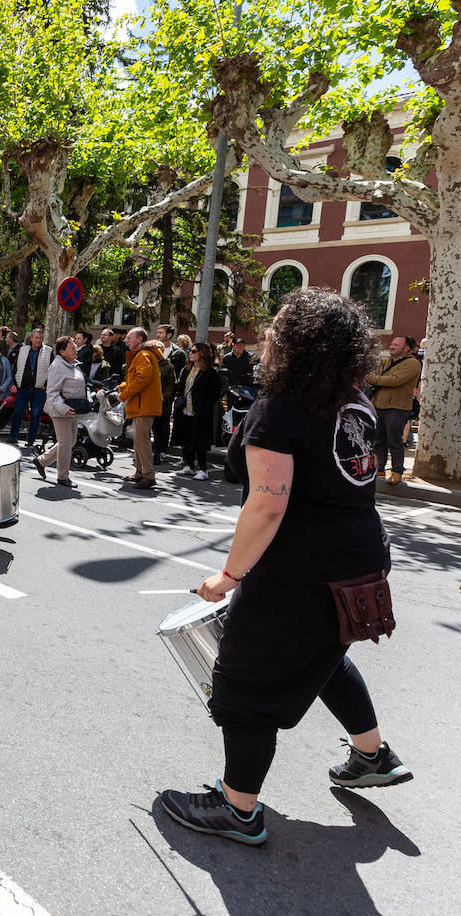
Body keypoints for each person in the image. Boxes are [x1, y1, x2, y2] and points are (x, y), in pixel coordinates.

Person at [160, 288, 410, 847]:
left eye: (278, 327)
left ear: (298, 345)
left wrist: (229, 576)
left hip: (301, 573)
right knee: (325, 657)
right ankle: (372, 756)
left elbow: (269, 501)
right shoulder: (357, 402)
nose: (268, 334)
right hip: (362, 560)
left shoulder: (280, 410)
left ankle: (238, 808)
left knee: (245, 682)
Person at [364, 336, 421, 485]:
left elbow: (394, 380)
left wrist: (370, 378)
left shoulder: (413, 363)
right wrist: (374, 377)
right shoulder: (386, 361)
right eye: (392, 343)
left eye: (396, 344)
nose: (392, 346)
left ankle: (397, 471)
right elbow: (380, 377)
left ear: (406, 348)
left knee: (394, 441)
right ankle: (379, 469)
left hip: (397, 408)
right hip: (379, 405)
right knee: (378, 440)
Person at [32, 335, 83, 488]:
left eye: (75, 347)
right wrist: (64, 408)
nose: (76, 350)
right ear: (62, 352)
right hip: (60, 411)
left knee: (70, 441)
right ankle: (63, 476)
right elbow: (52, 392)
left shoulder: (73, 365)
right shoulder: (57, 366)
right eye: (72, 348)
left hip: (72, 410)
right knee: (66, 443)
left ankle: (42, 461)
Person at [118, 327, 163, 489]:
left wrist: (124, 394)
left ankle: (148, 476)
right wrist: (123, 387)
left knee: (142, 442)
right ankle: (139, 473)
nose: (126, 340)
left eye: (130, 337)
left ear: (139, 340)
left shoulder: (143, 355)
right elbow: (137, 379)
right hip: (140, 404)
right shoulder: (141, 355)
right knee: (138, 442)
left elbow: (143, 379)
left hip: (144, 405)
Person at [173, 342, 223, 480]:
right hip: (185, 410)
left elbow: (214, 393)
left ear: (201, 354)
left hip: (201, 412)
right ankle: (188, 465)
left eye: (193, 351)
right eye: (190, 350)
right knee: (186, 438)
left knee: (200, 441)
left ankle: (203, 469)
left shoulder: (210, 372)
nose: (190, 353)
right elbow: (181, 388)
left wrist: (205, 407)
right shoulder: (188, 369)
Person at [9, 327, 51, 447]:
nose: (38, 340)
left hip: (39, 389)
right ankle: (13, 437)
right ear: (31, 338)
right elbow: (15, 366)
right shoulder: (23, 349)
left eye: (40, 338)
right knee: (17, 413)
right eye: (36, 338)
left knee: (35, 415)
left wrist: (46, 385)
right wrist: (15, 383)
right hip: (23, 388)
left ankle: (31, 441)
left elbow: (52, 370)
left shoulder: (48, 351)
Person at [152, 343, 178, 465]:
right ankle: (155, 451)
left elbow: (172, 384)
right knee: (154, 428)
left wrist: (164, 396)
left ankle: (160, 451)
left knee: (162, 427)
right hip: (150, 402)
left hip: (163, 403)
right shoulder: (149, 364)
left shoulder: (168, 366)